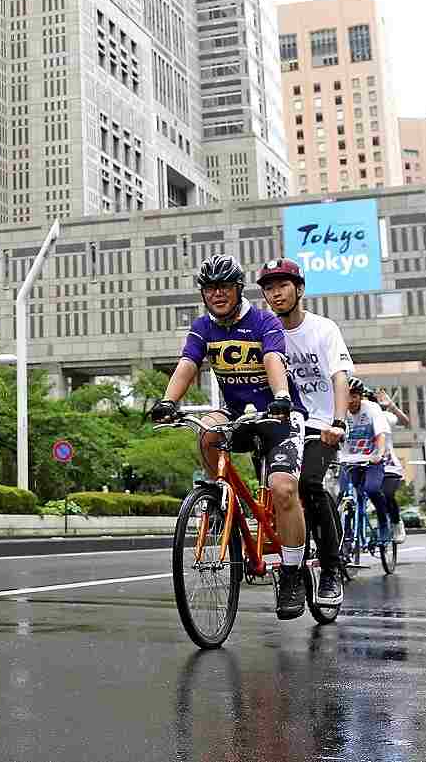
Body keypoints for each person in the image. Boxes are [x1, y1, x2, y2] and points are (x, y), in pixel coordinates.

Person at [150, 254, 310, 620]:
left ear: (238, 289)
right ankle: (221, 503)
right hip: (237, 414)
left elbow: (272, 359)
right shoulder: (203, 328)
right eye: (210, 289)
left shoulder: (263, 320)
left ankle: (291, 573)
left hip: (279, 414)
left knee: (283, 488)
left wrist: (282, 397)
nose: (217, 294)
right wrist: (167, 401)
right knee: (207, 432)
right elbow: (187, 365)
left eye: (224, 287)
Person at [257, 258, 351, 606]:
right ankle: (289, 566)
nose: (275, 293)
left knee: (309, 485)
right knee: (276, 490)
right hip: (283, 421)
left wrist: (338, 422)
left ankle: (330, 568)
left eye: (282, 285)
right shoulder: (266, 331)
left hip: (320, 423)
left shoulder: (323, 329)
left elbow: (340, 376)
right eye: (268, 287)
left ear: (300, 289)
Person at [339, 378, 394, 546]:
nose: (350, 400)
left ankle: (384, 523)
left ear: (360, 396)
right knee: (341, 496)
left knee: (371, 489)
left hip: (371, 460)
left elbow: (381, 435)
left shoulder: (372, 409)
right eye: (346, 395)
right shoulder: (338, 410)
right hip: (348, 461)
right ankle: (346, 536)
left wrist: (380, 452)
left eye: (354, 395)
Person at [372, 387, 411, 544]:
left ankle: (396, 523)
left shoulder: (384, 417)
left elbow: (405, 421)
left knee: (387, 494)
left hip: (388, 466)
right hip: (365, 464)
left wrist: (391, 406)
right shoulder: (353, 416)